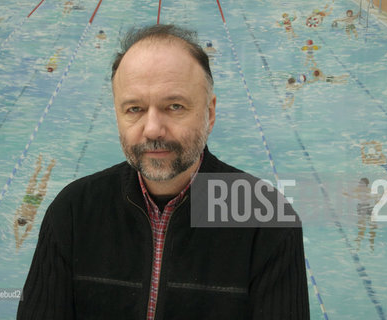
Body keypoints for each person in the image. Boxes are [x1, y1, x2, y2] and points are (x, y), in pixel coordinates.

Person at [17, 24, 309, 319]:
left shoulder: (264, 218)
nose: (153, 129)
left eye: (174, 106)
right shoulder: (73, 211)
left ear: (209, 113)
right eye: (135, 109)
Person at [14, 155, 56, 249]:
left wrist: (19, 242)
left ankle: (51, 164)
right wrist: (18, 240)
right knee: (34, 177)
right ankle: (40, 162)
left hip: (36, 201)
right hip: (28, 198)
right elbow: (16, 230)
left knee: (45, 178)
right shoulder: (18, 214)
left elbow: (25, 234)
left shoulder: (30, 220)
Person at [342, 178, 379, 251]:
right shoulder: (357, 189)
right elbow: (350, 195)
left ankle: (371, 243)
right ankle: (358, 243)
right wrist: (345, 193)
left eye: (362, 183)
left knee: (372, 226)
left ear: (366, 184)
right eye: (360, 183)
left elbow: (376, 197)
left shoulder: (369, 190)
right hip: (361, 207)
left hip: (369, 207)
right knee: (361, 225)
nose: (360, 184)